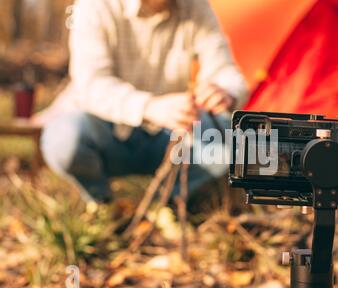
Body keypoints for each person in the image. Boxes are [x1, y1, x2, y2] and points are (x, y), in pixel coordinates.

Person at [40, 0, 248, 203]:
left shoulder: (196, 6)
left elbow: (226, 72)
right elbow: (92, 84)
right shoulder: (95, 5)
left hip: (171, 136)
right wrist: (149, 107)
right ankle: (99, 201)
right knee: (64, 140)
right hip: (105, 131)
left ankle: (166, 203)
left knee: (235, 146)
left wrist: (225, 92)